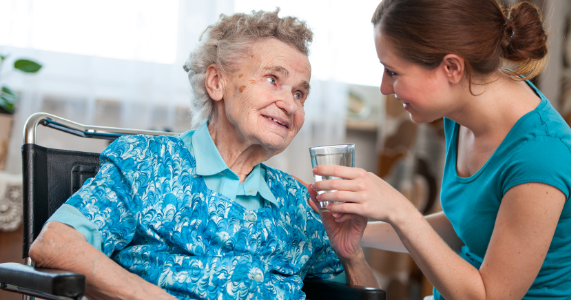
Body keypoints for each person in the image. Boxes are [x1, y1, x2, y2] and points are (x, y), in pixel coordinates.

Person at [29, 9, 378, 300]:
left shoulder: (299, 202)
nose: (290, 104)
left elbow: (359, 293)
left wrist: (352, 256)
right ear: (216, 83)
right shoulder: (146, 163)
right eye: (273, 80)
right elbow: (55, 244)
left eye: (300, 94)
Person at [307, 0, 571, 299]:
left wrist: (398, 209)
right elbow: (468, 222)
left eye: (393, 72)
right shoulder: (463, 112)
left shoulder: (542, 157)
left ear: (452, 68)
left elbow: (487, 296)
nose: (384, 87)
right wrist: (354, 231)